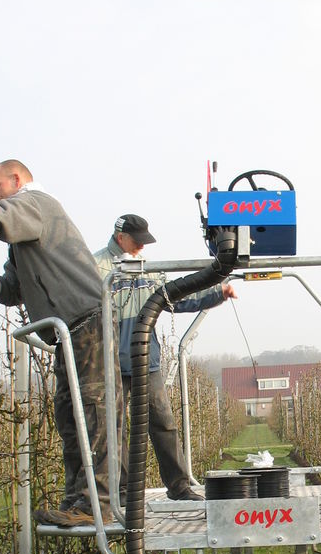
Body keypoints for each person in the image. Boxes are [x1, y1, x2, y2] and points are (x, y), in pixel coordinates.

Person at [0, 159, 121, 527]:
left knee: (94, 413)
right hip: (68, 334)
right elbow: (11, 291)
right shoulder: (24, 237)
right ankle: (79, 500)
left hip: (88, 326)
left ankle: (99, 503)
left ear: (17, 180)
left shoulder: (35, 203)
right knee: (69, 417)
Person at [96, 213, 237, 501]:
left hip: (146, 360)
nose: (142, 247)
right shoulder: (97, 268)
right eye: (138, 241)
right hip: (108, 364)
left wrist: (217, 293)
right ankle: (122, 492)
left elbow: (177, 297)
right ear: (120, 238)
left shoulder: (147, 269)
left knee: (163, 423)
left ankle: (179, 486)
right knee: (114, 429)